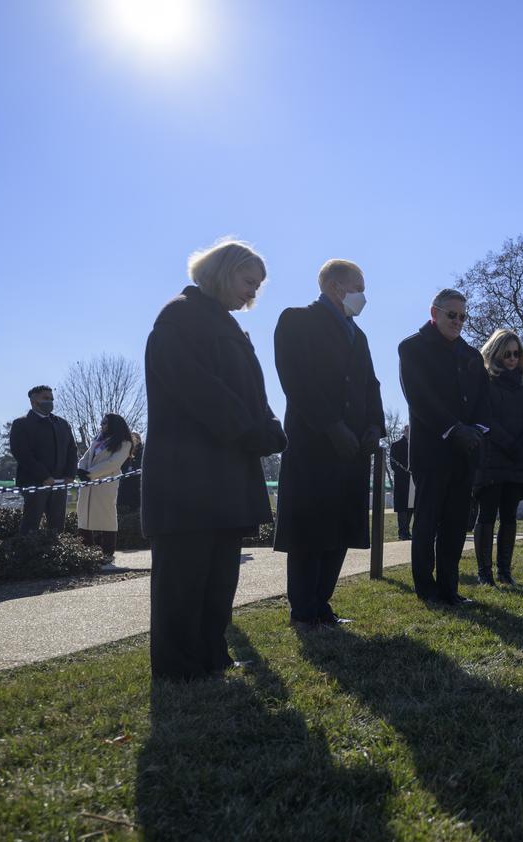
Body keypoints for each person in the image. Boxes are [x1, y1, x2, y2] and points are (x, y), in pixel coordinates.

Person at [142, 239, 286, 681]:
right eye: (248, 281)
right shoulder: (179, 316)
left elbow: (251, 392)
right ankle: (179, 664)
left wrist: (269, 424)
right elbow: (198, 389)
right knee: (185, 573)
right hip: (189, 472)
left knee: (220, 572)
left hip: (224, 468)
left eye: (258, 286)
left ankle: (211, 652)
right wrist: (250, 430)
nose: (252, 293)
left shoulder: (224, 323)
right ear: (223, 270)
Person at [272, 259, 383, 631]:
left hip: (352, 449)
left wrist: (374, 426)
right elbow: (296, 379)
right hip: (314, 445)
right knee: (311, 530)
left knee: (339, 528)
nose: (363, 295)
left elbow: (370, 383)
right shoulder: (297, 320)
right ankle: (303, 610)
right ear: (336, 287)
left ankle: (322, 605)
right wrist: (331, 426)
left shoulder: (359, 334)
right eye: (359, 286)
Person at [398, 288, 489, 606]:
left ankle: (449, 589)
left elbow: (483, 399)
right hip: (431, 451)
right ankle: (426, 588)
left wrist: (476, 430)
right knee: (427, 520)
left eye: (464, 316)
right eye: (452, 315)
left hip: (465, 452)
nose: (459, 321)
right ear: (433, 313)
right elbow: (420, 398)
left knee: (454, 522)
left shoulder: (471, 355)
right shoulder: (412, 348)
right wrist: (454, 429)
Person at [472, 329, 523, 586]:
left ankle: (504, 570)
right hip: (491, 456)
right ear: (496, 354)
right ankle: (484, 572)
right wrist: (507, 442)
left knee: (509, 516)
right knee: (487, 514)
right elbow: (483, 417)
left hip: (518, 458)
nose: (512, 358)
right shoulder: (485, 381)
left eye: (516, 353)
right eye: (507, 354)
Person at [8, 385, 78, 534]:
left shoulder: (62, 424)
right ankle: (27, 555)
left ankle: (56, 556)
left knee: (57, 526)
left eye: (51, 399)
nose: (50, 402)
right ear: (34, 401)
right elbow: (22, 453)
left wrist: (70, 475)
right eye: (45, 398)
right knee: (31, 524)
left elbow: (72, 451)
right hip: (34, 483)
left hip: (60, 483)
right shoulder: (21, 424)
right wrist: (44, 476)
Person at [75, 413, 135, 558]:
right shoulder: (97, 440)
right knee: (84, 513)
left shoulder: (124, 443)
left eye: (104, 423)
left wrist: (89, 474)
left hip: (105, 483)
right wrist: (81, 469)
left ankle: (107, 550)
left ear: (113, 424)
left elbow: (113, 463)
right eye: (101, 422)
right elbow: (85, 457)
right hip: (87, 483)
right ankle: (86, 548)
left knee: (106, 514)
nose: (101, 425)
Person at [388, 425, 412, 540]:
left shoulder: (415, 445)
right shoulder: (396, 445)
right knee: (402, 507)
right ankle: (402, 532)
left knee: (410, 506)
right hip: (402, 481)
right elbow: (393, 464)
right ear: (406, 431)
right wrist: (405, 472)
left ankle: (407, 531)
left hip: (412, 481)